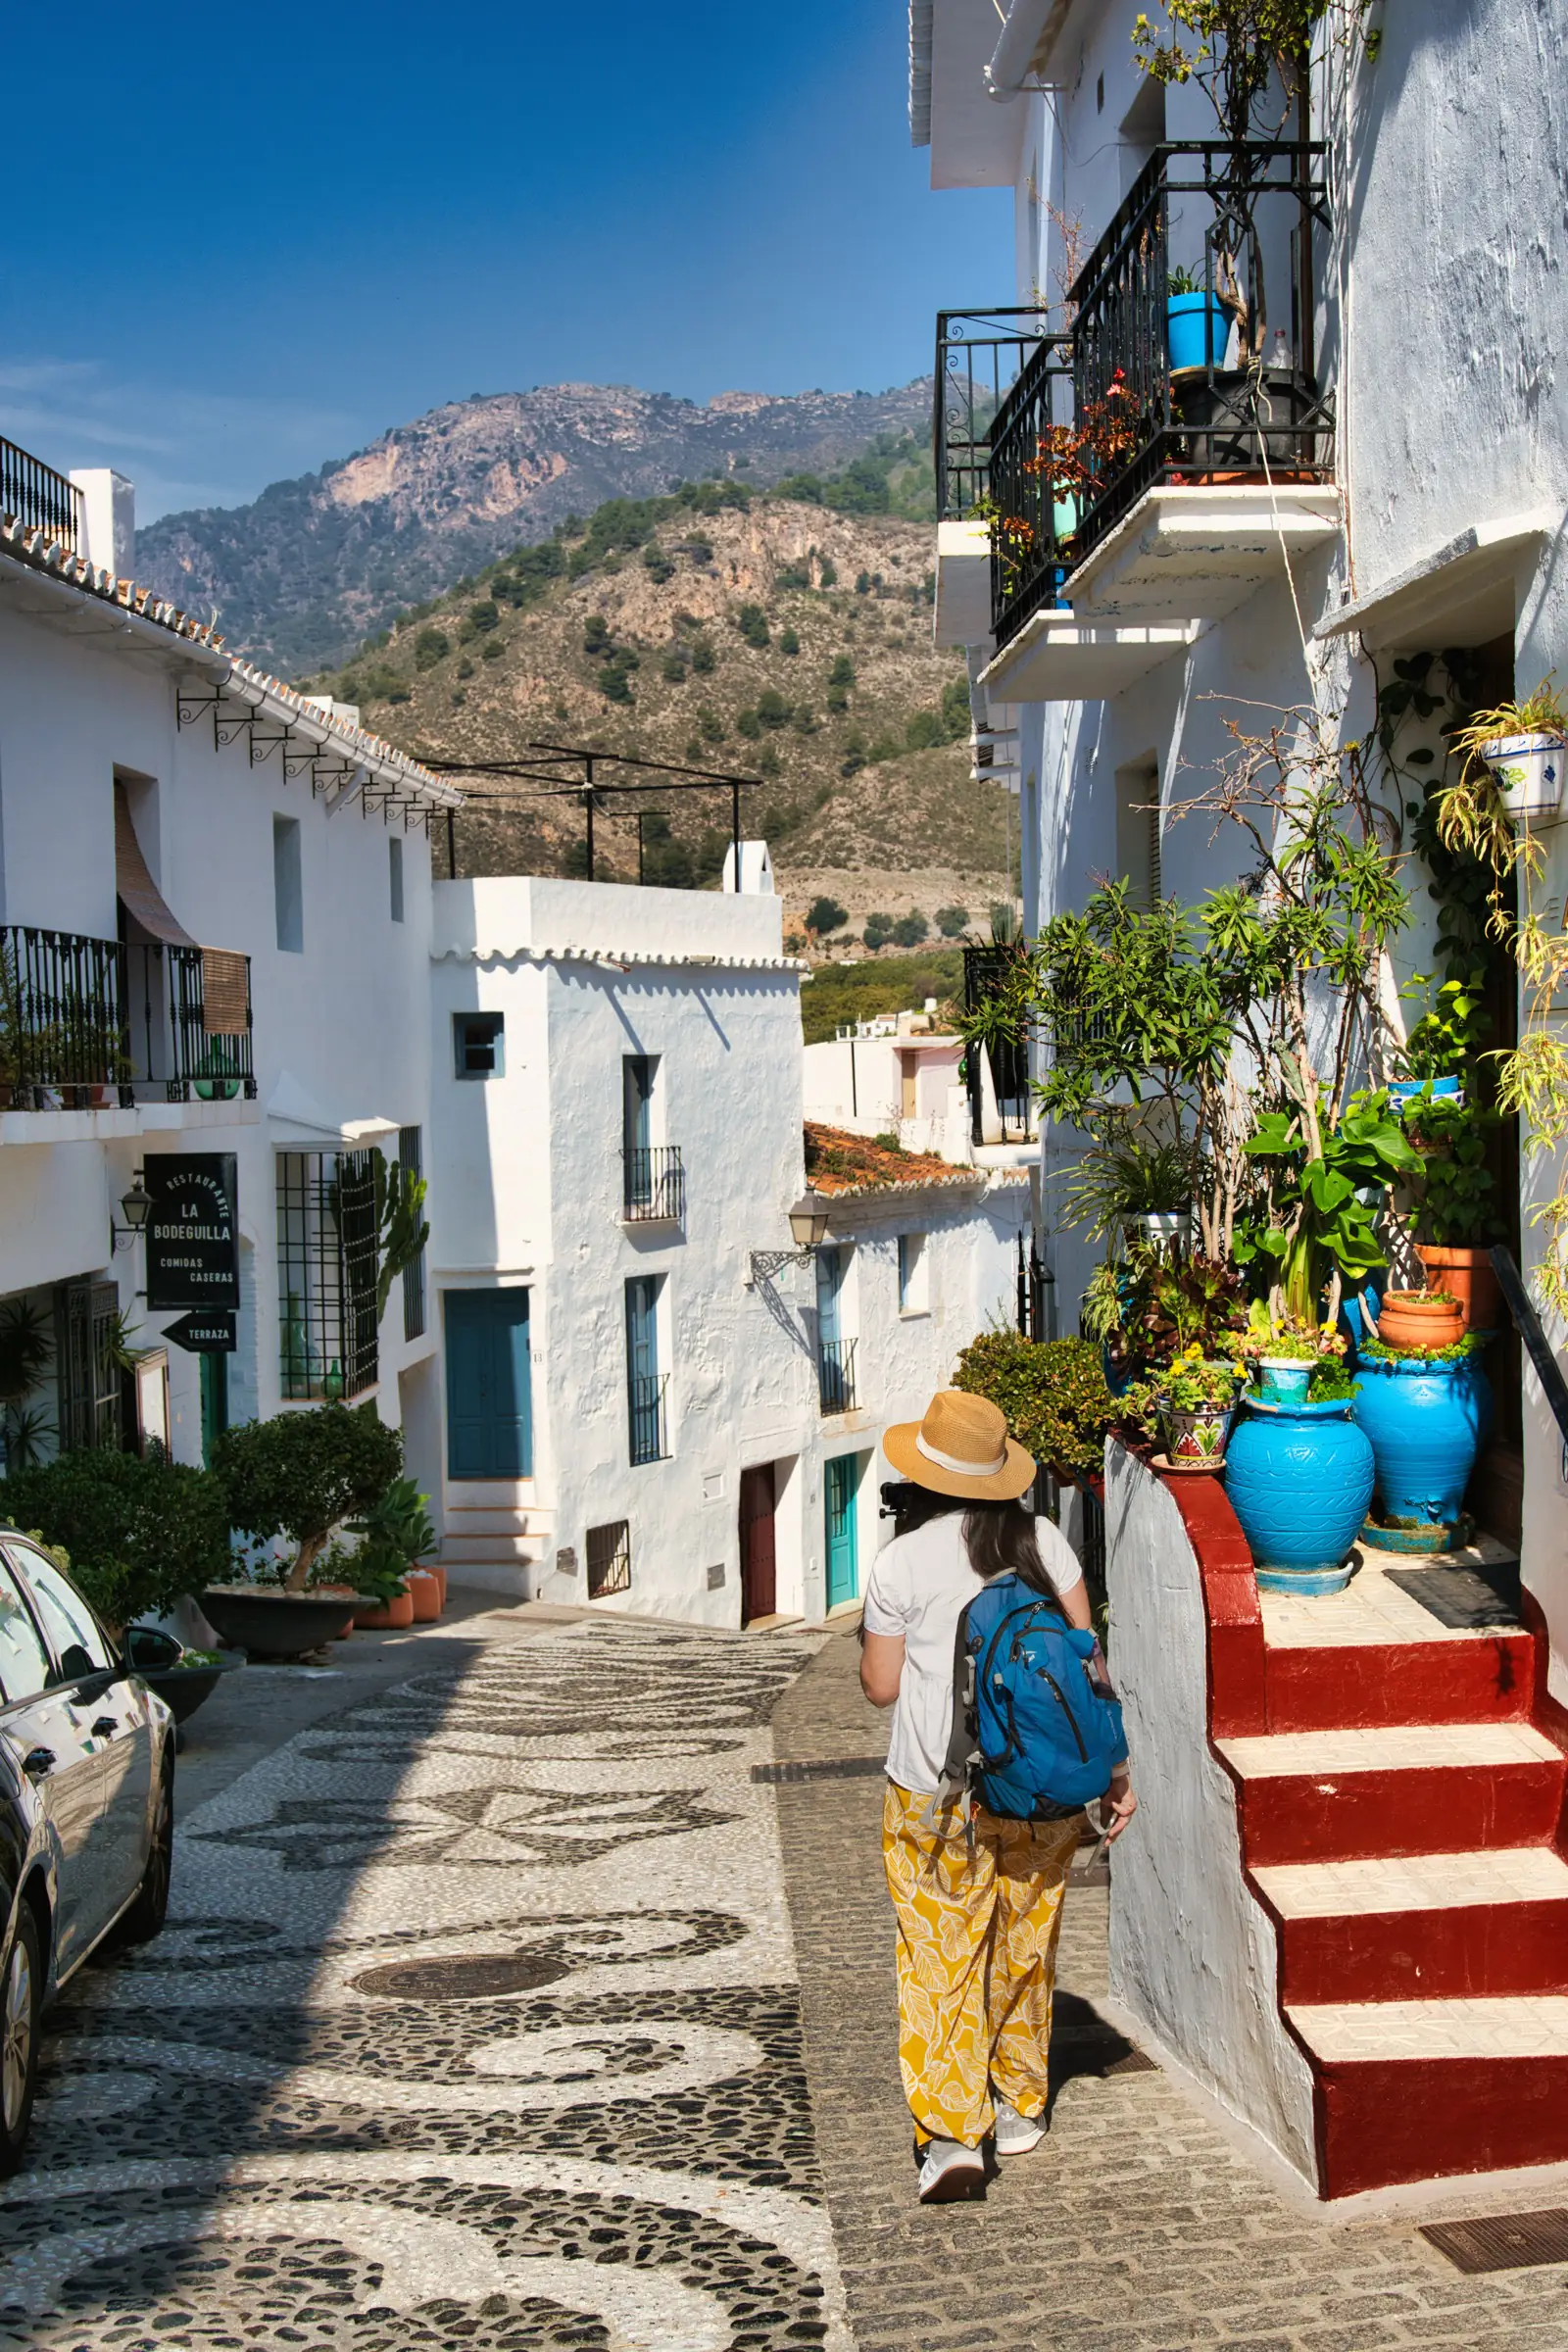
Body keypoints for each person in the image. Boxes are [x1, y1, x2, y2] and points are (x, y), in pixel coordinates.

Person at [859, 1388, 1137, 2204]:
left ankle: (952, 2135)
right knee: (1025, 1944)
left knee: (939, 1955)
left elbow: (880, 1688)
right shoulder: (1046, 1541)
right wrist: (1117, 1776)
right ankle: (1019, 2107)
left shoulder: (901, 1562)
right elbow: (1090, 1671)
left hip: (933, 1794)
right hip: (1040, 1791)